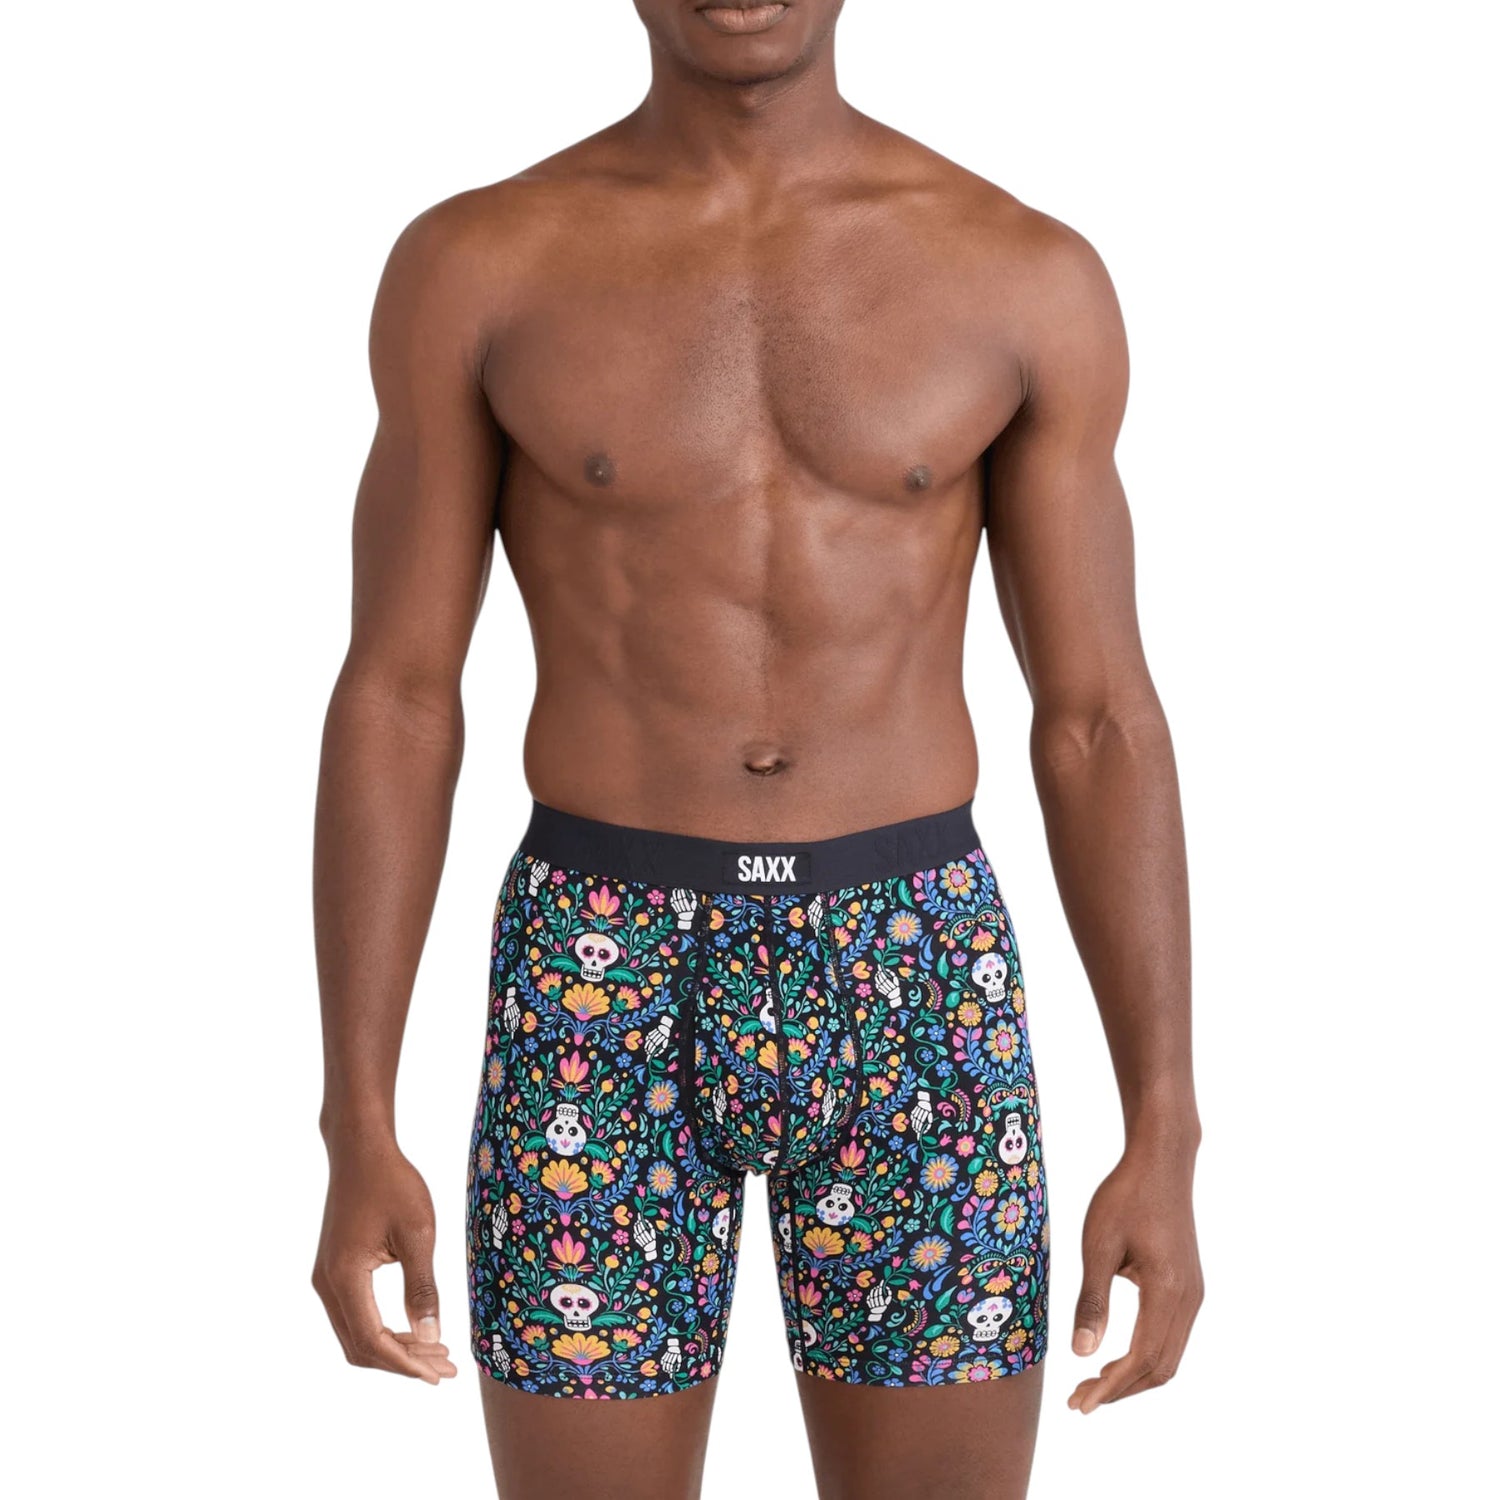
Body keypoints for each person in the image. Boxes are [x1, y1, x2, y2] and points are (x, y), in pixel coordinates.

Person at [310, 3, 1203, 1496]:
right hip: (596, 966)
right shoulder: (480, 265)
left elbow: (1099, 717)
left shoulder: (1020, 274)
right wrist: (356, 1119)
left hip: (913, 964)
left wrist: (1164, 1129)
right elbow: (399, 694)